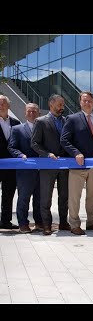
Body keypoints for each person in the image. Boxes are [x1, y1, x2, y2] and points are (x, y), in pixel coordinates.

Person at [60, 91, 93, 235]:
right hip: (77, 165)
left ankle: (91, 222)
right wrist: (76, 153)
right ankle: (74, 224)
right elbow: (64, 140)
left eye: (90, 101)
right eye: (84, 100)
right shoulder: (72, 119)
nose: (87, 103)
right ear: (80, 102)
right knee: (74, 197)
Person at [31, 94, 71, 235]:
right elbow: (34, 143)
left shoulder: (67, 121)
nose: (62, 107)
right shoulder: (41, 121)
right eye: (60, 105)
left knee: (64, 196)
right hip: (48, 165)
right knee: (46, 196)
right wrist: (47, 154)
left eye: (63, 105)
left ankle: (64, 222)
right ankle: (47, 224)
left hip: (65, 165)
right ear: (51, 104)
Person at [7, 103, 42, 234]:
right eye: (29, 111)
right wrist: (20, 155)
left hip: (42, 171)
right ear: (25, 113)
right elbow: (11, 147)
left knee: (40, 198)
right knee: (24, 198)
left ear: (39, 113)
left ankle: (39, 222)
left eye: (34, 111)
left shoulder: (43, 128)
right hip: (25, 171)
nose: (32, 113)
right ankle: (23, 223)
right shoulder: (17, 129)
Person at [0, 95, 21, 229]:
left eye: (3, 103)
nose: (0, 106)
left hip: (11, 166)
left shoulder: (16, 123)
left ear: (8, 106)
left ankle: (5, 221)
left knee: (8, 194)